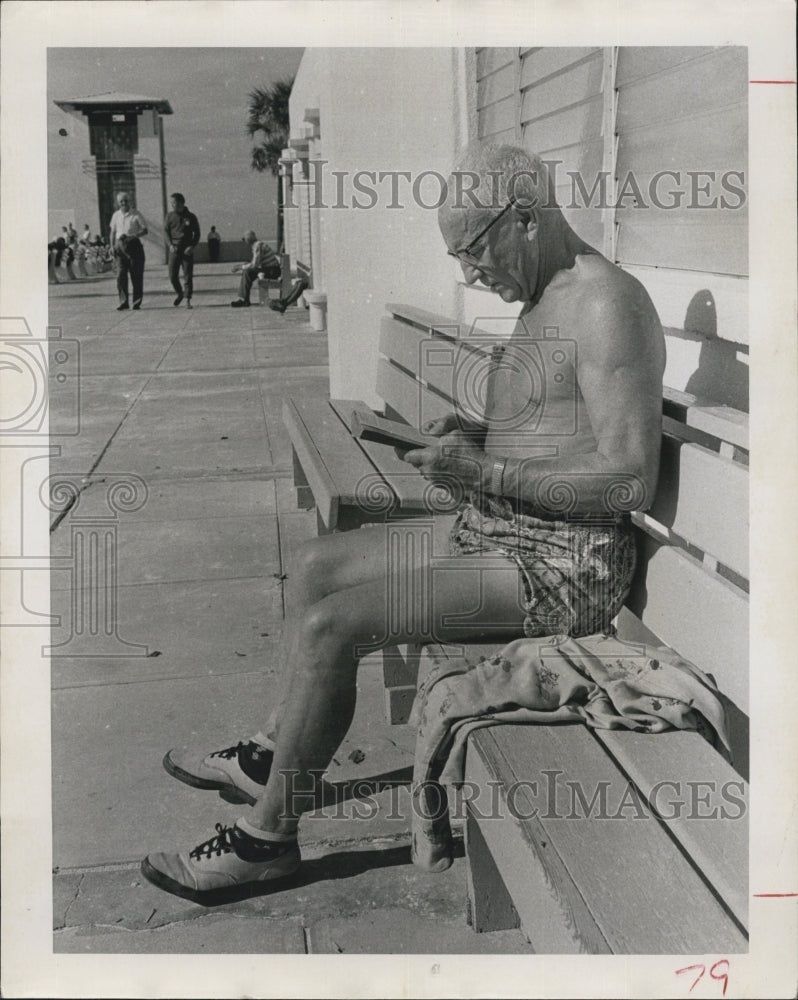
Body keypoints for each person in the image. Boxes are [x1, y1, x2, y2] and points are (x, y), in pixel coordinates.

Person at [141, 141, 666, 903]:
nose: (467, 275)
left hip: (563, 565)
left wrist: (484, 473)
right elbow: (561, 429)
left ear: (525, 216)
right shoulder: (540, 296)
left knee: (334, 626)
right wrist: (475, 438)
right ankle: (269, 752)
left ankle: (267, 838)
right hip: (505, 528)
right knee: (319, 565)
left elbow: (627, 478)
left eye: (473, 251)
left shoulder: (608, 303)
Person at [108, 192, 148, 310]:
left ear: (129, 201)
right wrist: (111, 246)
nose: (123, 203)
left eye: (125, 200)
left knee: (136, 276)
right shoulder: (116, 215)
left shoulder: (136, 214)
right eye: (121, 201)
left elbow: (145, 230)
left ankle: (136, 302)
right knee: (120, 275)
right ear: (118, 203)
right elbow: (112, 232)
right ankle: (123, 302)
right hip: (119, 247)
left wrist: (134, 235)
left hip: (133, 247)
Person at [165, 192, 201, 308]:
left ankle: (187, 300)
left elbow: (197, 234)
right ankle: (180, 293)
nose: (172, 205)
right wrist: (170, 244)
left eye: (174, 202)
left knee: (188, 276)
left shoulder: (191, 217)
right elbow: (166, 231)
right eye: (171, 203)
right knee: (172, 276)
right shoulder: (169, 216)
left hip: (187, 250)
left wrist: (192, 246)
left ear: (181, 203)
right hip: (174, 249)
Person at [229, 230, 280, 307]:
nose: (245, 241)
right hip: (271, 270)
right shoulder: (258, 245)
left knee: (247, 272)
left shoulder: (257, 246)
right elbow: (255, 263)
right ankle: (244, 299)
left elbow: (254, 265)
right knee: (247, 270)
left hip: (272, 271)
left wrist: (240, 267)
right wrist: (244, 266)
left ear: (248, 239)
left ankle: (244, 300)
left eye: (244, 239)